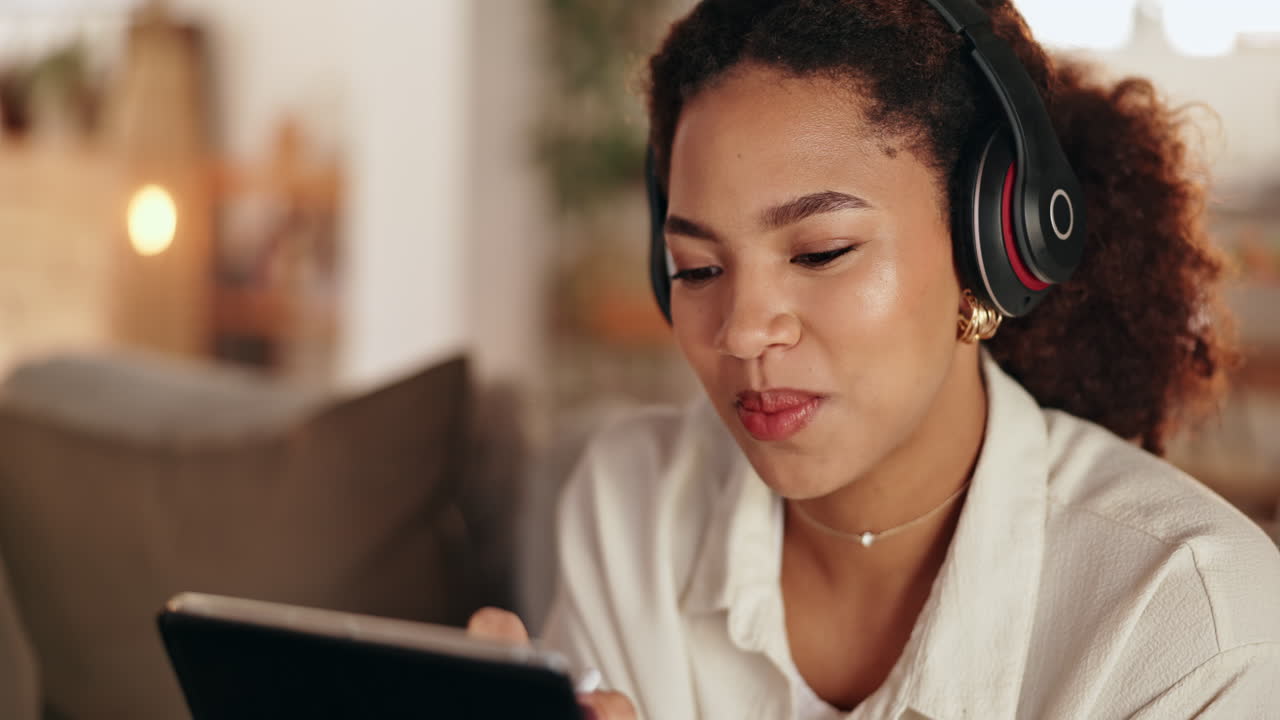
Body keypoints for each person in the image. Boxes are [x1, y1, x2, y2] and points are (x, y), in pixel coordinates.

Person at [468, 0, 1280, 717]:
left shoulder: (1197, 629)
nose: (744, 332)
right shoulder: (631, 509)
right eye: (698, 270)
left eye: (822, 252)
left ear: (991, 251)